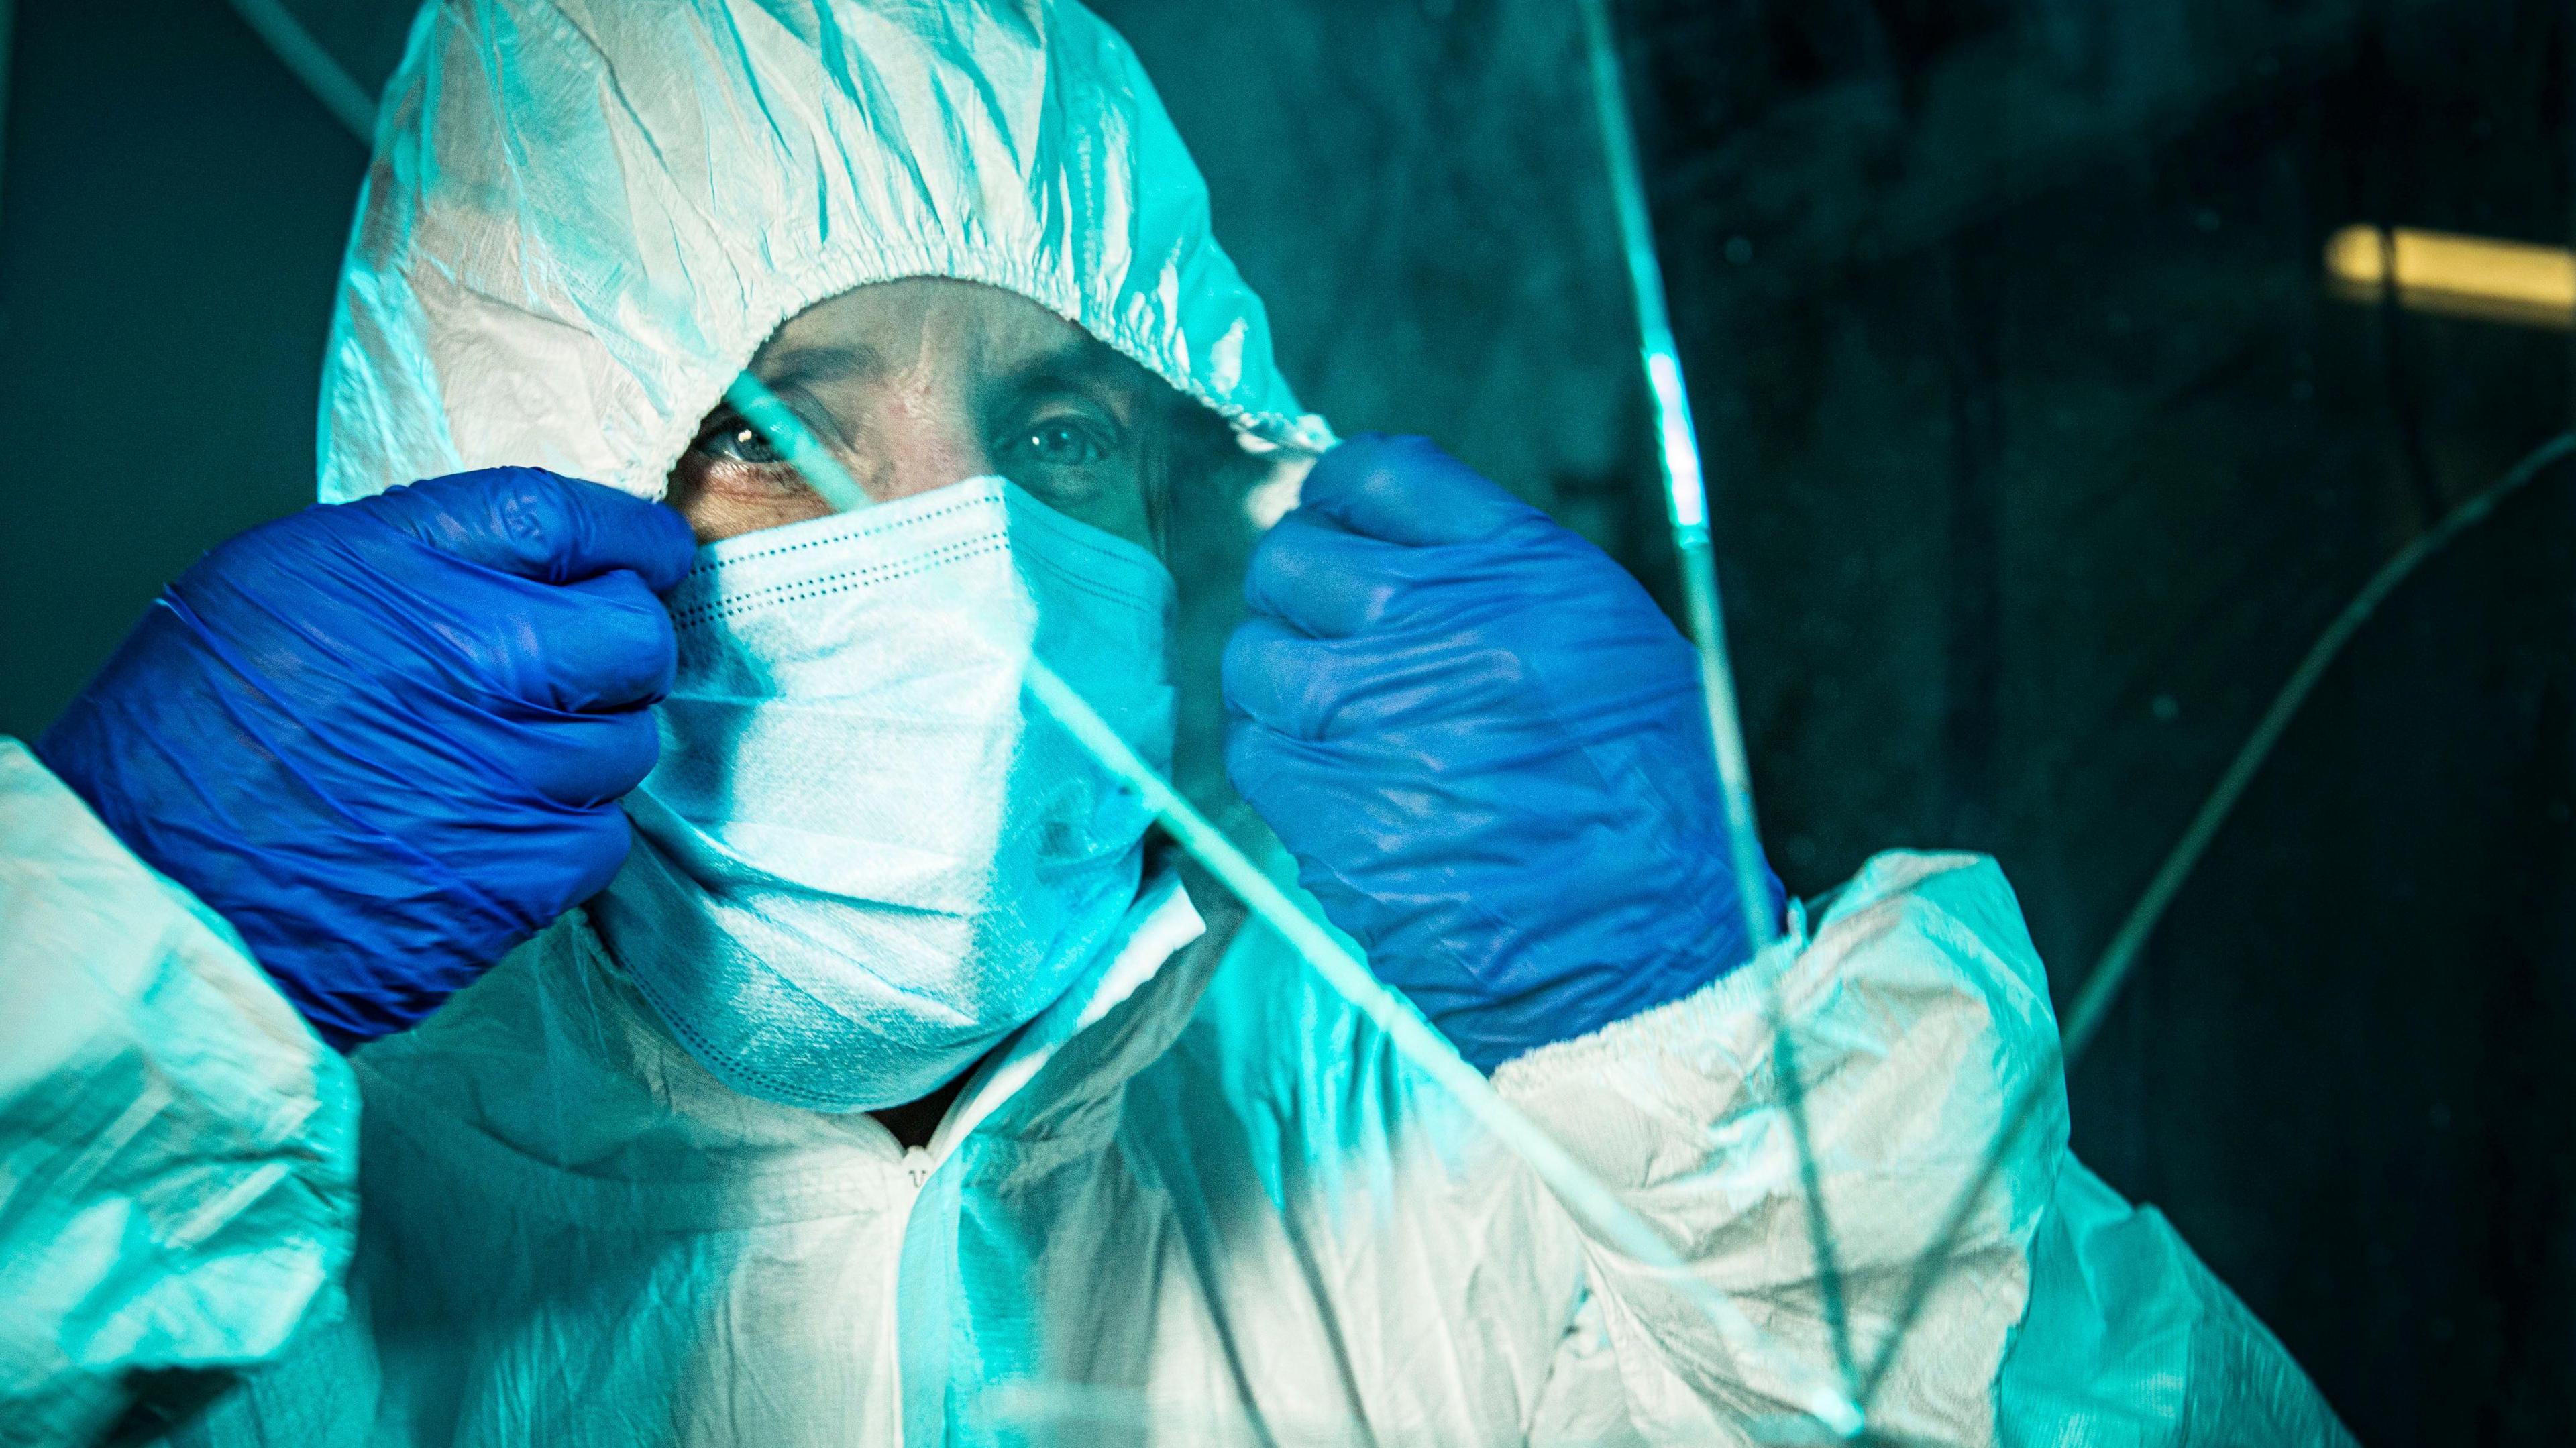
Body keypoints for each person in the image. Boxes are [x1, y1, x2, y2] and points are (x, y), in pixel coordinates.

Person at [0, 1, 2353, 1444]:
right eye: (763, 426)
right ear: (468, 501)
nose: (979, 555)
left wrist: (1729, 1090)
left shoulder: (1420, 1149)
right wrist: (86, 1030)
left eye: (1052, 432)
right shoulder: (210, 1228)